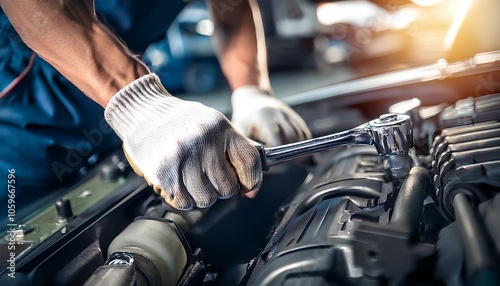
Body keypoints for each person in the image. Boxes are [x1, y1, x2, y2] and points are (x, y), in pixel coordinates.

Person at [0, 0, 311, 213]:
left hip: (109, 113)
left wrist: (251, 90)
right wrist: (140, 103)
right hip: (16, 132)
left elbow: (231, 6)